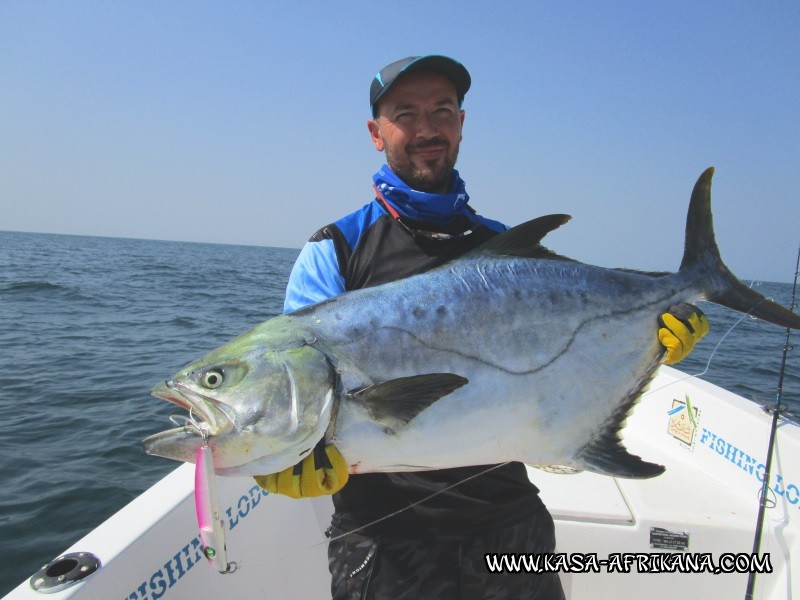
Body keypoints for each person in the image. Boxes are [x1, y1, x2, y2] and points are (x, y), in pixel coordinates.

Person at [254, 55, 709, 599]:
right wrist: (285, 455)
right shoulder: (336, 249)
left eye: (442, 110)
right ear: (376, 133)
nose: (427, 128)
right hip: (385, 541)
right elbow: (299, 385)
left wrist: (649, 342)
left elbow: (566, 356)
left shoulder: (509, 251)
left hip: (510, 528)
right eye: (406, 114)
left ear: (462, 124)